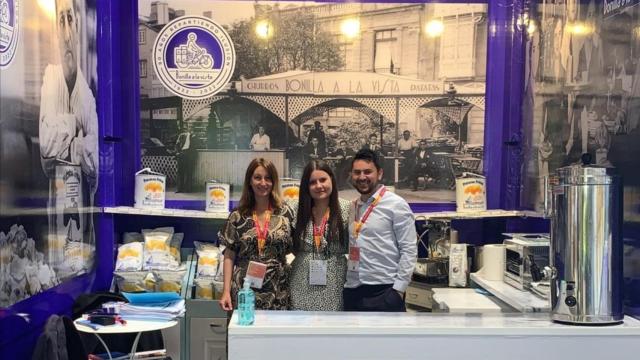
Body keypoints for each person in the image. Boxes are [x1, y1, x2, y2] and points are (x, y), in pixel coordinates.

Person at [39, 0, 98, 273]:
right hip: (58, 195)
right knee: (60, 263)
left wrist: (68, 137)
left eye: (70, 21)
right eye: (59, 22)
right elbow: (48, 145)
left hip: (81, 197)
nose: (65, 34)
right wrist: (74, 127)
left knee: (78, 263)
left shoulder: (87, 92)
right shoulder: (50, 79)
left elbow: (95, 157)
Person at [344, 149, 417, 312]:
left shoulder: (396, 204)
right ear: (351, 175)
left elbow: (409, 250)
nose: (362, 177)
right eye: (357, 172)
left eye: (368, 172)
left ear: (380, 173)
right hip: (352, 290)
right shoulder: (353, 206)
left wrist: (398, 290)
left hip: (383, 292)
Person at [219, 158, 294, 311]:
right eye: (258, 177)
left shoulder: (286, 213)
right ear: (249, 181)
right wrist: (225, 291)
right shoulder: (237, 216)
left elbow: (296, 248)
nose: (263, 183)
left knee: (274, 334)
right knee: (243, 333)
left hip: (278, 289)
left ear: (274, 182)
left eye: (268, 178)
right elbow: (229, 255)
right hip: (244, 289)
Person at [289, 160, 350, 311]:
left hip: (335, 281)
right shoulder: (295, 209)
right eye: (312, 182)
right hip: (301, 280)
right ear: (306, 186)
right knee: (301, 327)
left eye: (323, 180)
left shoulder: (348, 208)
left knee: (330, 330)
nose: (319, 186)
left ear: (332, 180)